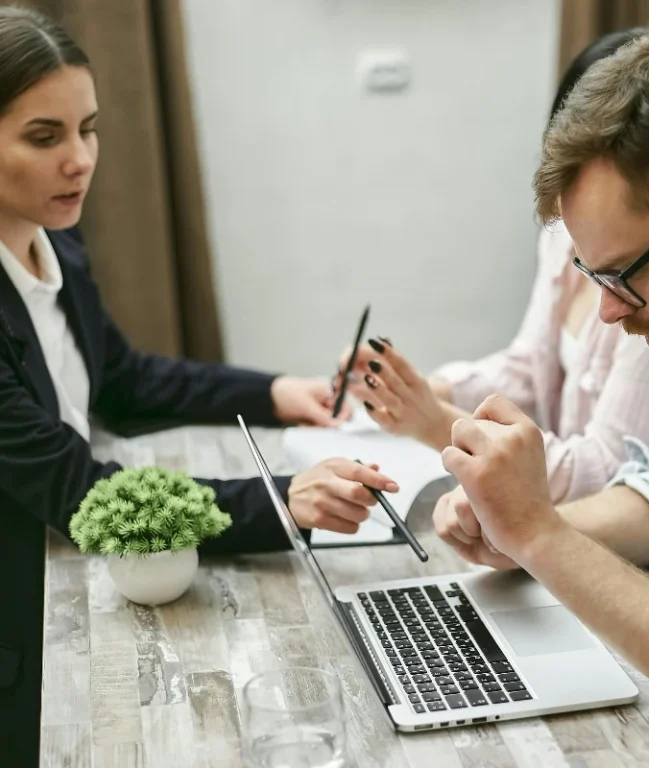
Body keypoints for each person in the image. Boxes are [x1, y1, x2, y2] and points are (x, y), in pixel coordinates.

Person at [0, 7, 398, 764]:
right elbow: (79, 490)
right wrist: (282, 502)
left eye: (88, 129)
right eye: (44, 137)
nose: (80, 159)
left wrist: (279, 391)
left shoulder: (56, 240)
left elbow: (122, 377)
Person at [434, 23, 649, 764]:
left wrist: (542, 537)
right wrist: (514, 527)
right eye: (595, 280)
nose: (610, 314)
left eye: (626, 275)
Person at [337, 28, 649, 505]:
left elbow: (608, 474)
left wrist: (438, 422)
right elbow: (529, 369)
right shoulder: (564, 233)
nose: (606, 307)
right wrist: (420, 390)